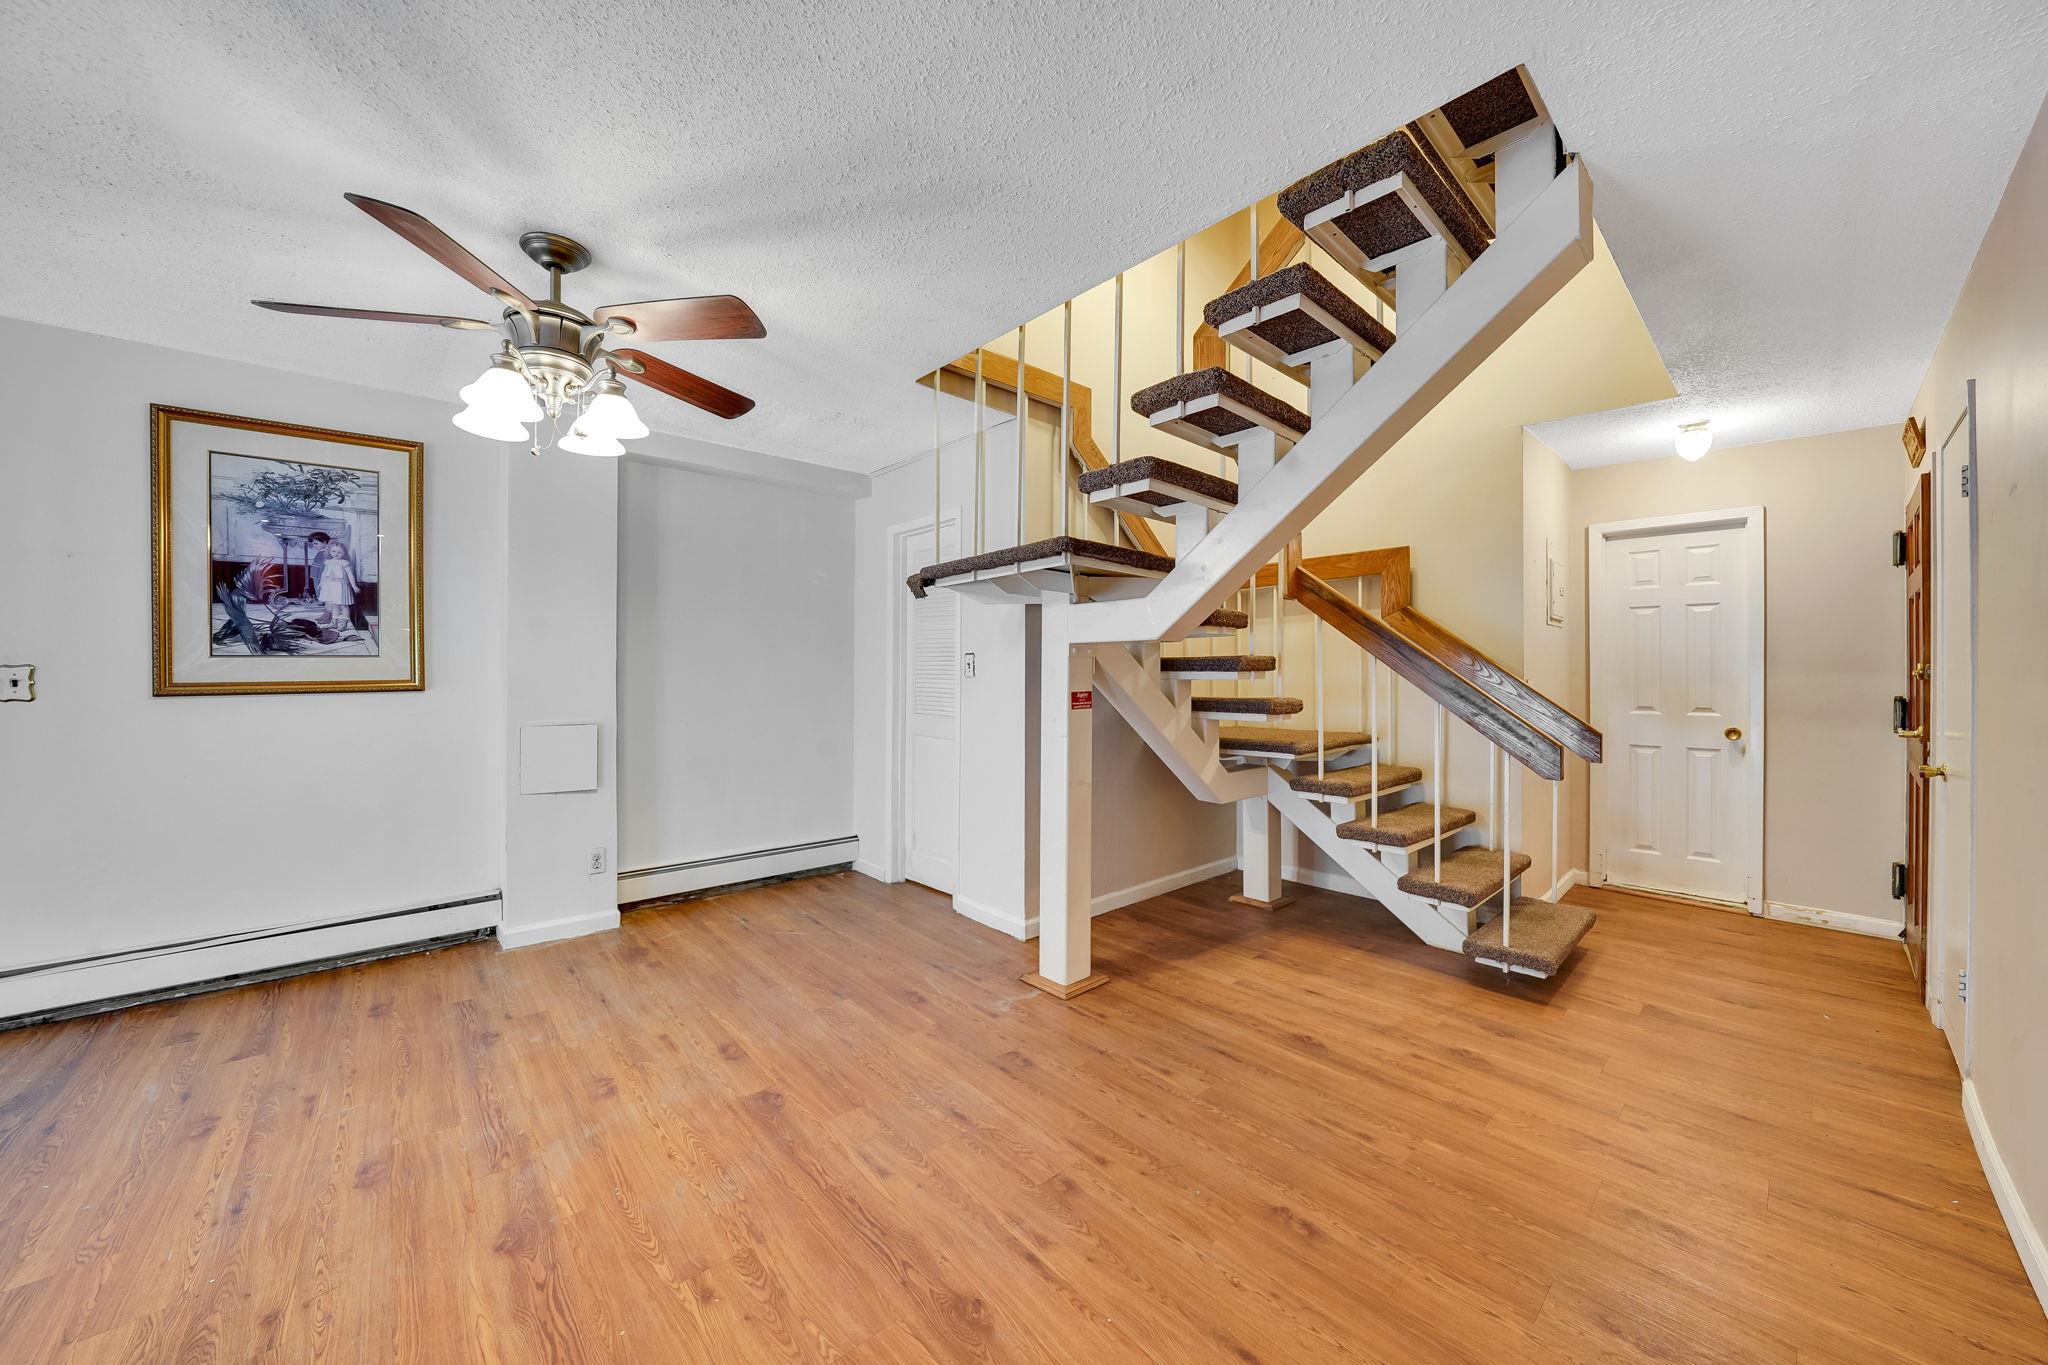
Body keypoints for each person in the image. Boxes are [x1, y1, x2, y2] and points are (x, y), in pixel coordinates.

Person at [316, 538, 359, 635]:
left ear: (344, 553)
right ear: (329, 551)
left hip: (341, 586)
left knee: (344, 605)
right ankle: (334, 622)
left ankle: (344, 623)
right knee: (334, 604)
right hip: (331, 586)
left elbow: (350, 575)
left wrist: (354, 585)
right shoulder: (328, 562)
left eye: (339, 552)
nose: (336, 554)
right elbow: (324, 573)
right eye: (333, 551)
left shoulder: (344, 563)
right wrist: (321, 583)